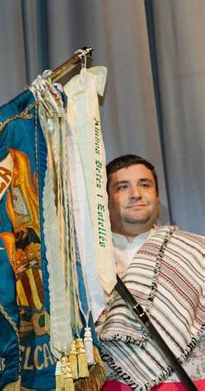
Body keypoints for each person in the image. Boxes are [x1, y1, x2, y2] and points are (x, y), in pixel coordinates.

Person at [97, 154, 204, 390]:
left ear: (157, 195)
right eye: (122, 187)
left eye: (144, 185)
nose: (136, 194)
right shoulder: (87, 264)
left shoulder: (197, 252)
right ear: (104, 199)